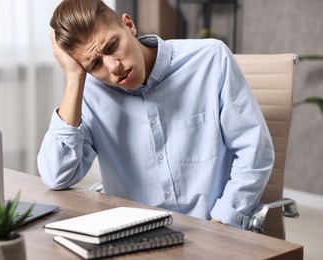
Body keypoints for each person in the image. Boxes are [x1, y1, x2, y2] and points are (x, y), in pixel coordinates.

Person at [37, 0, 274, 230]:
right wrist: (74, 79)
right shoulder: (91, 92)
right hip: (132, 236)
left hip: (211, 231)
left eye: (111, 46)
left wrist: (223, 223)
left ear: (128, 25)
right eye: (95, 64)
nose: (113, 67)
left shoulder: (211, 59)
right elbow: (57, 176)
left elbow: (255, 151)